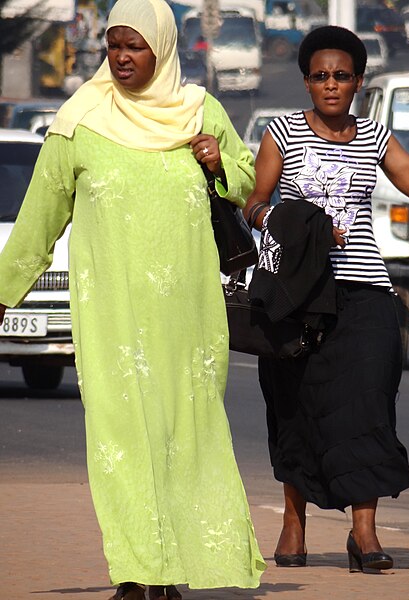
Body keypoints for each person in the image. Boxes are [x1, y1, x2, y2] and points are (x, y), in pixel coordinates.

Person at [0, 0, 266, 598]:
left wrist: (219, 160)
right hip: (111, 313)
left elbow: (250, 184)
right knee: (121, 439)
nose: (120, 57)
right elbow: (40, 217)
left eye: (134, 46)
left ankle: (172, 570)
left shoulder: (201, 111)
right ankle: (136, 570)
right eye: (112, 45)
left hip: (188, 315)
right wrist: (2, 293)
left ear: (162, 49)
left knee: (183, 436)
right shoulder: (80, 120)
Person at [243, 25, 409, 573]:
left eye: (341, 76)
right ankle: (294, 523)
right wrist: (303, 227)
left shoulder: (375, 137)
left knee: (367, 408)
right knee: (294, 406)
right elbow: (255, 207)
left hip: (364, 295)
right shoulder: (280, 131)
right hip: (296, 297)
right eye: (320, 76)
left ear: (358, 81)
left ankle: (364, 533)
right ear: (306, 82)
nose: (331, 85)